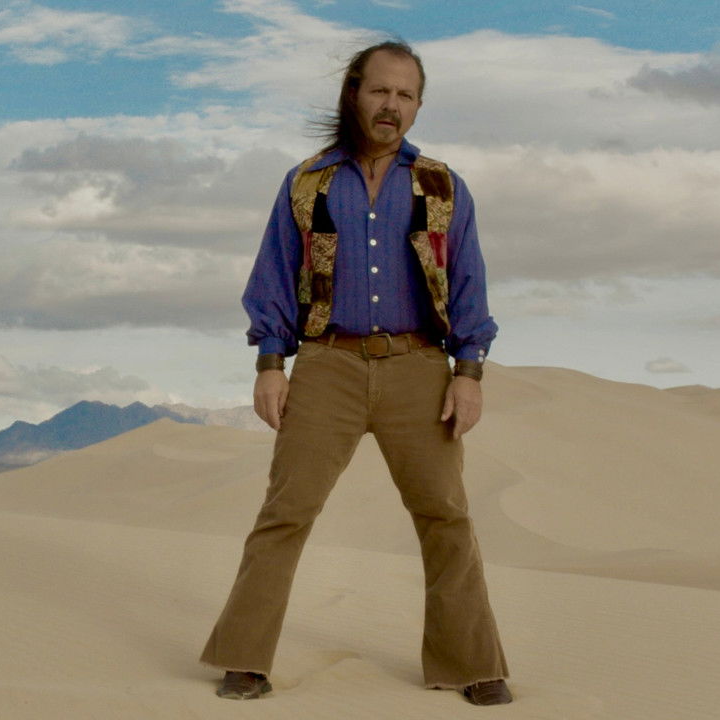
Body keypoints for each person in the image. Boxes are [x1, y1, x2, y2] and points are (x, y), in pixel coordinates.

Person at [199, 40, 512, 706]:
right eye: (380, 90)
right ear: (354, 93)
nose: (391, 105)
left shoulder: (441, 185)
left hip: (419, 367)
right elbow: (273, 276)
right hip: (327, 364)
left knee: (446, 516)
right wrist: (270, 363)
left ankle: (471, 664)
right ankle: (243, 659)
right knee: (286, 512)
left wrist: (469, 372)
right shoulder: (307, 182)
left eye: (405, 94)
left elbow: (468, 281)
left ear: (418, 105)